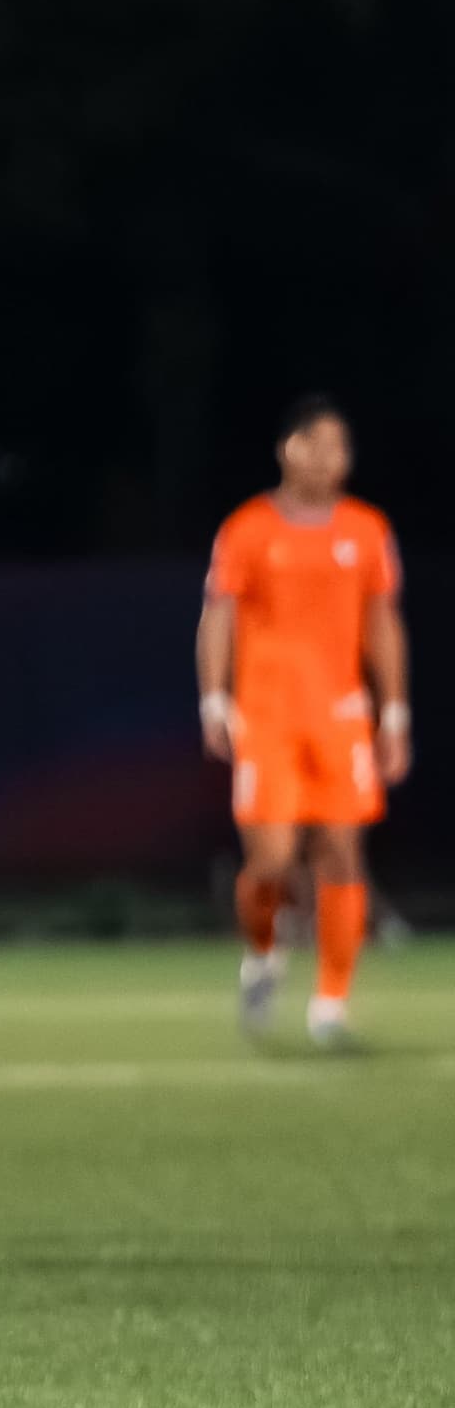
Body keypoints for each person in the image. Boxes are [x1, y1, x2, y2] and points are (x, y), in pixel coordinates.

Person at [200, 395, 411, 1044]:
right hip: (265, 716)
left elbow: (381, 621)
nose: (331, 458)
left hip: (341, 715)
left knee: (342, 851)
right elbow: (220, 615)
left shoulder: (367, 530)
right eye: (318, 443)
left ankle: (331, 1005)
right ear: (287, 448)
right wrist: (214, 697)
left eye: (340, 447)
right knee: (270, 859)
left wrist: (394, 712)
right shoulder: (248, 529)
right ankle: (263, 953)